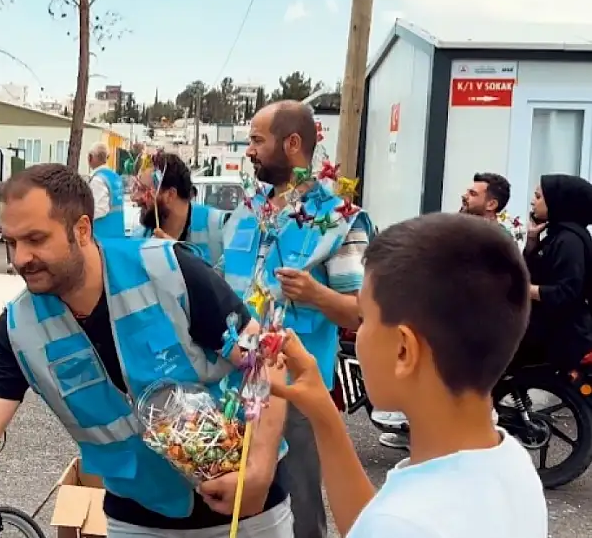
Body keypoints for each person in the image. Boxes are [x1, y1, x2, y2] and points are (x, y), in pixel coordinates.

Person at [0, 164, 294, 538]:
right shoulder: (18, 329)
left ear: (82, 230)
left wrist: (257, 472)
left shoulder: (169, 270)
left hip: (247, 510)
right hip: (138, 519)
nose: (21, 258)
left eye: (36, 239)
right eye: (11, 242)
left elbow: (265, 361)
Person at [269, 212, 547, 538]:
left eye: (363, 318)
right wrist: (322, 411)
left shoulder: (403, 522)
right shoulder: (510, 462)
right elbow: (369, 524)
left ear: (404, 350)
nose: (357, 332)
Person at [219, 101, 372, 538]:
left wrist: (317, 294)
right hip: (234, 382)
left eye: (256, 140)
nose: (248, 150)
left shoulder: (340, 221)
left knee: (301, 509)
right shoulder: (249, 209)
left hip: (297, 393)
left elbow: (360, 312)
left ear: (292, 144)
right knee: (236, 504)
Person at [374, 171, 512, 449]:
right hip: (449, 316)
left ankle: (477, 441)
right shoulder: (464, 229)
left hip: (471, 323)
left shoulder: (492, 239)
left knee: (464, 386)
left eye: (473, 193)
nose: (465, 195)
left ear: (491, 205)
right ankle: (417, 430)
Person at [520, 174, 592, 370]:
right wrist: (532, 240)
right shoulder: (556, 234)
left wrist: (524, 289)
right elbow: (532, 272)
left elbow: (566, 292)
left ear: (557, 202)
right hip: (547, 330)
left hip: (561, 338)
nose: (533, 201)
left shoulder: (569, 241)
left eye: (538, 196)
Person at [130, 152, 227, 265]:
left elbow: (232, 280)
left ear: (170, 195)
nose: (134, 198)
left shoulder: (220, 229)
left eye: (143, 190)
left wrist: (180, 257)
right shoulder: (140, 237)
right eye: (136, 187)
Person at [87, 142, 125, 239]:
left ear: (90, 157)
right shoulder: (115, 177)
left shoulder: (98, 180)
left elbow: (99, 210)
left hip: (102, 235)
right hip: (117, 232)